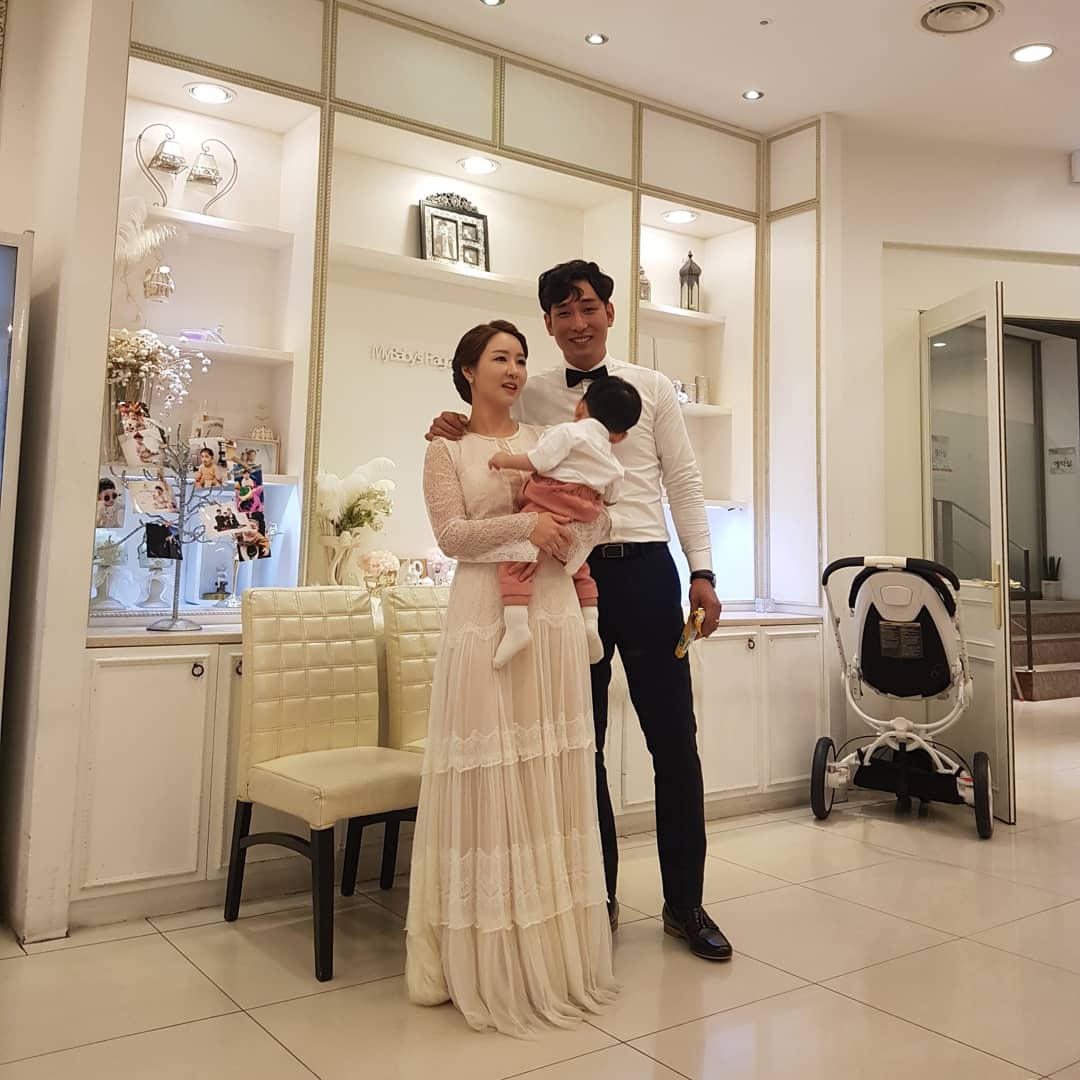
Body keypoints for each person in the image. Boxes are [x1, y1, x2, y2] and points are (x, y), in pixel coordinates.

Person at [428, 260, 732, 962]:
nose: (577, 322)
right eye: (562, 312)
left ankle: (686, 904)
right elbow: (492, 436)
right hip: (567, 576)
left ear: (610, 313)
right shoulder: (531, 389)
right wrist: (452, 421)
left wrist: (703, 571)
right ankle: (596, 901)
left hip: (649, 572)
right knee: (577, 743)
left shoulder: (652, 387)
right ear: (548, 323)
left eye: (588, 307)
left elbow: (685, 482)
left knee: (674, 743)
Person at [406, 319, 619, 1036]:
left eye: (522, 358)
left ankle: (550, 957)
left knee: (549, 775)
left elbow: (596, 519)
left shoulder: (547, 439)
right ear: (468, 369)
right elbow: (452, 537)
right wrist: (528, 529)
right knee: (489, 771)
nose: (515, 368)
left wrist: (574, 532)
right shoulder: (444, 448)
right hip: (482, 619)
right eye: (500, 357)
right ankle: (481, 955)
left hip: (551, 615)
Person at [487, 374, 641, 669]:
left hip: (550, 500)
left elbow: (538, 461)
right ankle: (590, 623)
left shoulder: (568, 432)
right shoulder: (613, 462)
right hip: (584, 512)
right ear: (620, 436)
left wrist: (505, 460)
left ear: (580, 406)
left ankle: (517, 626)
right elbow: (611, 496)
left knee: (517, 561)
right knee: (579, 567)